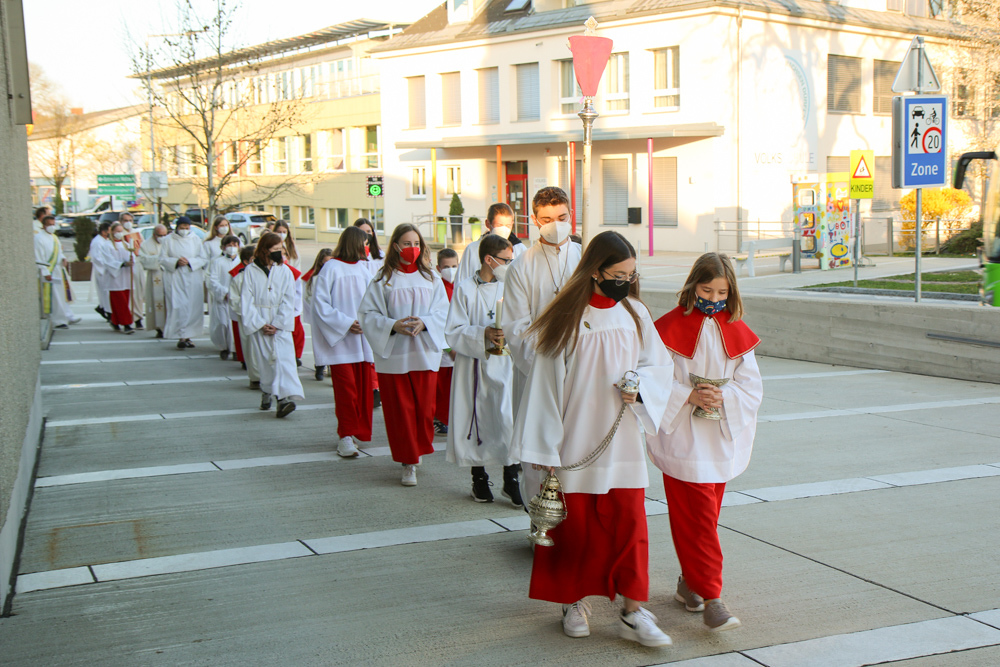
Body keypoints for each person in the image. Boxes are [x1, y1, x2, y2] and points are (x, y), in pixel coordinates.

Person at [511, 230, 674, 647]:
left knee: (631, 525)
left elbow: (658, 366)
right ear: (596, 272)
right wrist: (543, 448)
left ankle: (633, 611)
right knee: (577, 528)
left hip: (621, 439)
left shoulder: (635, 313)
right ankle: (573, 601)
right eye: (619, 275)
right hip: (576, 441)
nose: (626, 283)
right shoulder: (566, 317)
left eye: (631, 275)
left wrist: (641, 388)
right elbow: (545, 389)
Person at [646, 252, 762, 632]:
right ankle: (713, 598)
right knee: (698, 520)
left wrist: (723, 396)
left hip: (720, 434)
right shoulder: (668, 328)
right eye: (707, 289)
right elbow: (653, 379)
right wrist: (688, 395)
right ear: (693, 285)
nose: (714, 298)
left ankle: (688, 583)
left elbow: (751, 385)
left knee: (704, 519)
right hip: (683, 435)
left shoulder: (736, 329)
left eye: (722, 292)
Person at [501, 186, 582, 499]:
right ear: (534, 220)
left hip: (581, 368)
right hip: (537, 370)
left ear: (571, 216)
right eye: (547, 219)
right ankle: (539, 516)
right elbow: (516, 327)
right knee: (539, 453)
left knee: (577, 446)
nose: (555, 225)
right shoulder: (521, 266)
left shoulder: (585, 259)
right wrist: (553, 355)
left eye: (562, 217)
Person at [359, 224, 449, 487]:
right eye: (407, 244)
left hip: (423, 352)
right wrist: (392, 325)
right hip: (394, 354)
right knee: (401, 411)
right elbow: (367, 314)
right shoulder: (383, 279)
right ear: (396, 246)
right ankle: (408, 462)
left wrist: (425, 322)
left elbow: (444, 311)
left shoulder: (431, 277)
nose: (413, 248)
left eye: (417, 243)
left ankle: (417, 450)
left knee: (423, 410)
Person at [445, 233, 522, 505]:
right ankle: (479, 479)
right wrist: (483, 333)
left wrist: (509, 333)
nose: (510, 265)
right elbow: (453, 331)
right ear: (489, 259)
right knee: (476, 419)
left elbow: (522, 321)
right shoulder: (465, 289)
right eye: (506, 260)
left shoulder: (511, 287)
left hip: (505, 364)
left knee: (507, 420)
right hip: (474, 365)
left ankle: (511, 479)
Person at [313, 228, 375, 458]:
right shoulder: (331, 268)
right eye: (365, 242)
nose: (367, 247)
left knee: (362, 391)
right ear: (355, 243)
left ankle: (357, 432)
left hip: (362, 340)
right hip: (340, 342)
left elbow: (374, 302)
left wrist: (367, 322)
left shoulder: (363, 268)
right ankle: (345, 435)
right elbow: (320, 304)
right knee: (346, 391)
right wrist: (347, 323)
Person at [241, 232, 303, 418]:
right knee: (267, 362)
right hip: (260, 319)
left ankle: (283, 399)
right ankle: (267, 391)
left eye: (281, 249)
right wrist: (260, 323)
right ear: (265, 250)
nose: (279, 252)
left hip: (279, 321)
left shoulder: (284, 271)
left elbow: (289, 299)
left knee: (284, 361)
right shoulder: (251, 271)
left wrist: (278, 323)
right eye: (275, 249)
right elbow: (246, 300)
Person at [159, 216, 207, 349]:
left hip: (192, 276)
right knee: (178, 306)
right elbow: (162, 258)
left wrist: (190, 262)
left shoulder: (196, 239)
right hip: (175, 277)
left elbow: (203, 258)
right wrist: (175, 261)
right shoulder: (168, 240)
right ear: (177, 227)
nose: (184, 230)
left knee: (192, 306)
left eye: (187, 228)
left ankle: (188, 336)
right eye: (182, 228)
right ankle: (180, 335)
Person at [455, 203, 526, 284]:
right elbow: (462, 279)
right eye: (499, 225)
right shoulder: (472, 249)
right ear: (488, 224)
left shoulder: (519, 249)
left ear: (512, 224)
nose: (504, 229)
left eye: (508, 225)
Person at [354, 217, 383, 408]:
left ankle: (376, 387)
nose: (367, 235)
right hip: (358, 307)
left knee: (376, 350)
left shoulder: (379, 256)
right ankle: (369, 387)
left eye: (369, 231)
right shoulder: (352, 257)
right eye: (362, 232)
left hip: (377, 305)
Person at [34, 214, 80, 328]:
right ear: (44, 225)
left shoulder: (54, 237)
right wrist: (45, 272)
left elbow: (59, 252)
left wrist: (63, 258)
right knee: (54, 297)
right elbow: (38, 257)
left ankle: (65, 316)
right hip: (49, 272)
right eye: (49, 224)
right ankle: (57, 321)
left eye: (53, 224)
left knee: (62, 295)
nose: (52, 227)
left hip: (58, 270)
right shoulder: (39, 238)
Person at [93, 222, 136, 334]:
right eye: (117, 231)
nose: (119, 233)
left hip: (125, 277)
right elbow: (108, 261)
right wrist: (122, 264)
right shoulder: (107, 245)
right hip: (114, 277)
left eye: (121, 231)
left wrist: (131, 261)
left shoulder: (126, 244)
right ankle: (127, 324)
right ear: (111, 232)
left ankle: (115, 321)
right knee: (120, 301)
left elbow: (133, 257)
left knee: (124, 300)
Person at [434, 248, 459, 435]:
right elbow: (439, 320)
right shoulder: (436, 288)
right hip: (443, 346)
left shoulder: (460, 286)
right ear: (438, 268)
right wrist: (448, 348)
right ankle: (440, 419)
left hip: (458, 343)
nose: (450, 270)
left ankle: (451, 417)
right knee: (442, 387)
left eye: (454, 266)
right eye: (446, 267)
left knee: (454, 386)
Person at [229, 245, 259, 385]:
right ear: (246, 262)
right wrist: (248, 311)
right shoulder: (239, 278)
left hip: (265, 317)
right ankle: (255, 377)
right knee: (250, 347)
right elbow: (234, 299)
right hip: (247, 317)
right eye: (253, 259)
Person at [303, 248, 335, 381]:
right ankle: (320, 366)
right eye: (326, 261)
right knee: (320, 342)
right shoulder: (314, 278)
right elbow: (307, 296)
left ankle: (332, 368)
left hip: (331, 314)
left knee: (332, 342)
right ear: (321, 261)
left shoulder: (334, 274)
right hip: (318, 314)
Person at [208, 235, 241, 359]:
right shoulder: (217, 262)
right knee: (222, 323)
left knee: (235, 325)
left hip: (236, 299)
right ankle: (223, 347)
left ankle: (235, 349)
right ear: (223, 247)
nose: (232, 248)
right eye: (229, 245)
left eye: (234, 245)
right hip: (222, 298)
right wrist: (224, 292)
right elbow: (213, 280)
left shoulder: (240, 262)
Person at [138, 225, 169, 338]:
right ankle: (159, 328)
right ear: (154, 234)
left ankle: (170, 327)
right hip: (155, 276)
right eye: (160, 235)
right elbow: (143, 259)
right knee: (157, 304)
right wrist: (160, 259)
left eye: (165, 235)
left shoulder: (170, 242)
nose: (162, 238)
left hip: (169, 276)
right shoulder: (146, 244)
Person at [119, 212, 145, 330]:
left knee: (138, 294)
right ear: (121, 221)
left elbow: (143, 248)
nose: (128, 222)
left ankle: (138, 317)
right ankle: (128, 319)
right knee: (129, 295)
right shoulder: (119, 234)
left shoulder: (137, 233)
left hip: (138, 265)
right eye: (125, 220)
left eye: (130, 220)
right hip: (126, 267)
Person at [89, 221, 113, 321]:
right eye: (110, 231)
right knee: (105, 293)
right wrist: (108, 265)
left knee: (108, 293)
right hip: (102, 270)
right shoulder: (97, 242)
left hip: (108, 270)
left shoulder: (106, 240)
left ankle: (104, 308)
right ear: (104, 232)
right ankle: (107, 312)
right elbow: (97, 257)